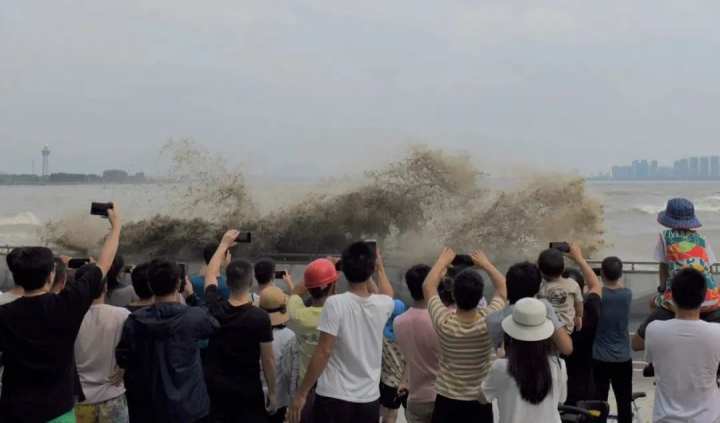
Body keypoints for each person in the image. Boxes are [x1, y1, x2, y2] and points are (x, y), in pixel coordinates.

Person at [0, 204, 122, 422]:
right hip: (58, 410)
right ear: (50, 277)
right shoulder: (67, 304)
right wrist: (116, 228)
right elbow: (104, 264)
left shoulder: (4, 314)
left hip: (14, 409)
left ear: (16, 277)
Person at [289, 241, 395, 423]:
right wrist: (379, 268)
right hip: (368, 398)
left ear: (344, 271)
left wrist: (302, 393)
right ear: (371, 269)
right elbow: (387, 295)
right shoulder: (383, 305)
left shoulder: (335, 303)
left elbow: (324, 351)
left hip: (334, 395)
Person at [116, 258, 219, 423]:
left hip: (150, 407)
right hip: (190, 406)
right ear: (179, 284)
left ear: (150, 286)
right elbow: (213, 322)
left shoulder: (135, 321)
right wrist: (192, 296)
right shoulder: (192, 317)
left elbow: (124, 358)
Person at [423, 248, 507, 423]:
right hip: (479, 400)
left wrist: (442, 261)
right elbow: (502, 288)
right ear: (480, 298)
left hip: (447, 400)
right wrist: (486, 264)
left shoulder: (444, 322)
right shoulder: (489, 322)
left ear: (453, 294)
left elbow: (428, 287)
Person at [204, 230, 277, 423]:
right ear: (251, 283)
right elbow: (268, 360)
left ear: (226, 282)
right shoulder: (260, 317)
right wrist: (273, 392)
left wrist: (223, 244)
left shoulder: (214, 307)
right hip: (248, 392)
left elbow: (210, 274)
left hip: (217, 390)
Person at [633, 197, 720, 351]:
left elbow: (663, 268)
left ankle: (657, 352)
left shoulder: (665, 237)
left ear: (669, 219)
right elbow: (710, 268)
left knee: (653, 303)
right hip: (710, 299)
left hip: (680, 298)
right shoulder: (702, 238)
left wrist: (661, 290)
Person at [646, 267, 720, 422]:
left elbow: (650, 361)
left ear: (672, 295)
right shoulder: (716, 332)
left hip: (665, 419)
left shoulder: (654, 329)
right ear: (704, 296)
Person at [482, 297, 567, 423]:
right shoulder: (559, 364)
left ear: (511, 335)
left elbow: (483, 397)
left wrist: (499, 359)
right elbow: (561, 399)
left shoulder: (501, 367)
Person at [74, 264, 131, 423]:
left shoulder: (69, 317)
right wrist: (125, 367)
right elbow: (134, 349)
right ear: (105, 287)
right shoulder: (122, 315)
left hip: (79, 400)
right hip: (113, 396)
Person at [286, 257, 338, 423]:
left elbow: (295, 292)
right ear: (333, 286)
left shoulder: (298, 316)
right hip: (336, 389)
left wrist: (316, 270)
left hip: (307, 388)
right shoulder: (341, 315)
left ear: (309, 288)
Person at [485, 261, 572, 356]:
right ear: (538, 288)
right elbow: (567, 348)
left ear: (508, 285)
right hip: (544, 367)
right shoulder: (545, 308)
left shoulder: (492, 320)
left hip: (509, 368)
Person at [393, 264, 440, 423]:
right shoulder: (442, 320)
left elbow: (411, 357)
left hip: (415, 398)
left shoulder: (398, 322)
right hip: (441, 396)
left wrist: (404, 380)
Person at [561, 244, 603, 406]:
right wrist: (579, 258)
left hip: (559, 386)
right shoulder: (590, 310)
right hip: (585, 385)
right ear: (580, 290)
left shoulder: (551, 313)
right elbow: (595, 286)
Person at [592, 256, 632, 423]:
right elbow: (618, 287)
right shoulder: (627, 294)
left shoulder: (598, 295)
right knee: (624, 402)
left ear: (602, 273)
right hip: (623, 357)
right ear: (621, 274)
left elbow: (593, 290)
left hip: (600, 356)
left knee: (599, 402)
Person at [259, 286, 300, 423]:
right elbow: (291, 373)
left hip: (254, 394)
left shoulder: (251, 331)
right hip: (280, 397)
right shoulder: (289, 337)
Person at [537, 248, 584, 334]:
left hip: (547, 328)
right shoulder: (573, 284)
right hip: (567, 327)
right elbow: (579, 303)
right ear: (563, 269)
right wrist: (578, 316)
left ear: (541, 272)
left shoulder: (541, 288)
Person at [379, 299, 408, 423]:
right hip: (403, 381)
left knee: (387, 412)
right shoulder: (406, 336)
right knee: (394, 413)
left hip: (386, 381)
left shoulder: (382, 334)